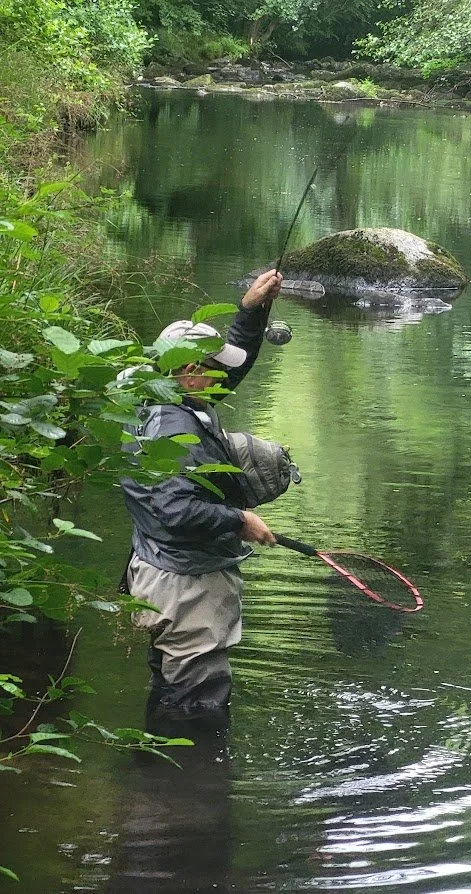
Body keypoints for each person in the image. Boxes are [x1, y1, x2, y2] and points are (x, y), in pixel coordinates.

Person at [120, 269, 282, 722]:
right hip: (185, 586)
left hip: (155, 567)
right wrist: (239, 520)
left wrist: (251, 311)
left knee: (171, 687)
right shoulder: (174, 428)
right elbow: (175, 509)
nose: (223, 379)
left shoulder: (155, 396)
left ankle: (152, 765)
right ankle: (190, 769)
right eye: (215, 370)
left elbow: (230, 370)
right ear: (191, 372)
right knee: (196, 705)